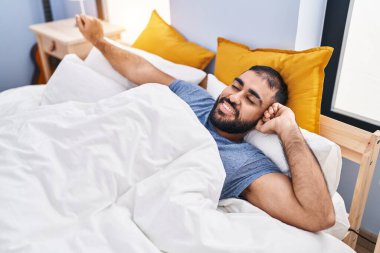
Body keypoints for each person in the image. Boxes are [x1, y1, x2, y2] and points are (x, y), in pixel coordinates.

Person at [75, 15, 335, 232]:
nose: (233, 97)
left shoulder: (245, 161)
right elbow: (141, 71)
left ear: (263, 117)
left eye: (250, 99)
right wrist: (97, 40)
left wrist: (289, 129)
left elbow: (318, 216)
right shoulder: (198, 97)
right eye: (236, 85)